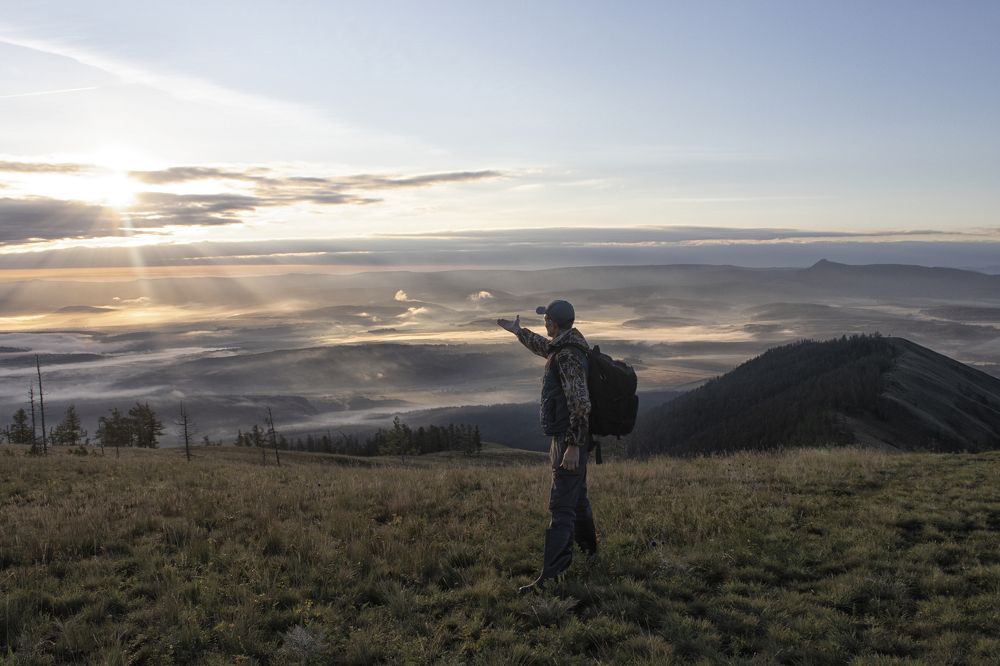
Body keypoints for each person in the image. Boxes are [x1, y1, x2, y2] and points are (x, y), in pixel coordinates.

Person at [497, 299, 598, 593]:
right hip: (570, 437)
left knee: (561, 505)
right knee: (576, 499)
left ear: (554, 323)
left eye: (546, 319)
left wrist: (573, 445)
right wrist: (519, 332)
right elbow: (545, 347)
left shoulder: (567, 355)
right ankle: (590, 554)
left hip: (569, 439)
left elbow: (580, 404)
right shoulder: (565, 346)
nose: (544, 323)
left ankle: (552, 578)